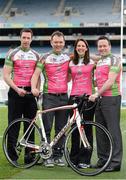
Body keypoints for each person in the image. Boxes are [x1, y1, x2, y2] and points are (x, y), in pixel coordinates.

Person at [31, 31, 70, 167]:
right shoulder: (44, 57)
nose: (58, 44)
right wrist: (33, 88)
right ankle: (46, 156)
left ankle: (58, 155)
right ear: (51, 42)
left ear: (64, 43)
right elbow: (36, 74)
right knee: (47, 127)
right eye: (56, 42)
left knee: (61, 128)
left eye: (60, 42)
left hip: (64, 97)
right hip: (49, 96)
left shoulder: (67, 57)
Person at [3, 28, 40, 165]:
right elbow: (6, 75)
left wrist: (36, 88)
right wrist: (17, 89)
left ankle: (29, 157)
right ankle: (12, 157)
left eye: (28, 38)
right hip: (15, 93)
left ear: (31, 39)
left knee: (30, 125)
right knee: (14, 125)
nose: (25, 40)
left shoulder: (36, 55)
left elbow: (38, 75)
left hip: (30, 94)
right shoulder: (13, 54)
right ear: (20, 38)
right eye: (23, 37)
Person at [89, 36, 123, 172]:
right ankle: (103, 160)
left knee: (113, 130)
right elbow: (98, 80)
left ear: (109, 46)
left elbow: (109, 82)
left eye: (104, 46)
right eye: (100, 46)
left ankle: (115, 162)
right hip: (101, 99)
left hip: (111, 98)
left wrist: (97, 94)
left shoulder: (115, 60)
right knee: (100, 130)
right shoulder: (101, 60)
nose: (102, 48)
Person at [68, 38, 96, 168]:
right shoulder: (70, 63)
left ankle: (85, 160)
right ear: (75, 47)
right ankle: (73, 159)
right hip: (73, 98)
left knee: (87, 128)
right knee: (74, 129)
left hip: (88, 98)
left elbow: (101, 59)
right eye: (78, 46)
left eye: (83, 46)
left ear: (86, 48)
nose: (80, 48)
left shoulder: (92, 61)